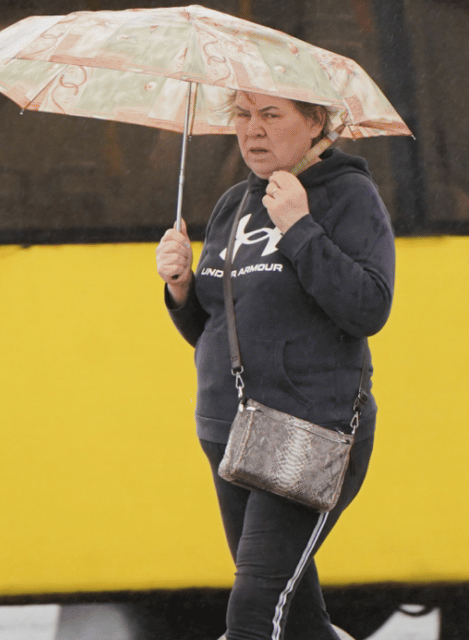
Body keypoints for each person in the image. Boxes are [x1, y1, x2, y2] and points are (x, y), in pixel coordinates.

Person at [154, 90, 395, 640]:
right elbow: (214, 333)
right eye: (242, 115)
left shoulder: (349, 195)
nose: (252, 130)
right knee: (299, 622)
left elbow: (368, 308)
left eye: (270, 115)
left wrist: (299, 226)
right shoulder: (234, 203)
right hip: (227, 432)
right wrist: (181, 287)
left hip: (307, 430)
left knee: (253, 616)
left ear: (315, 123)